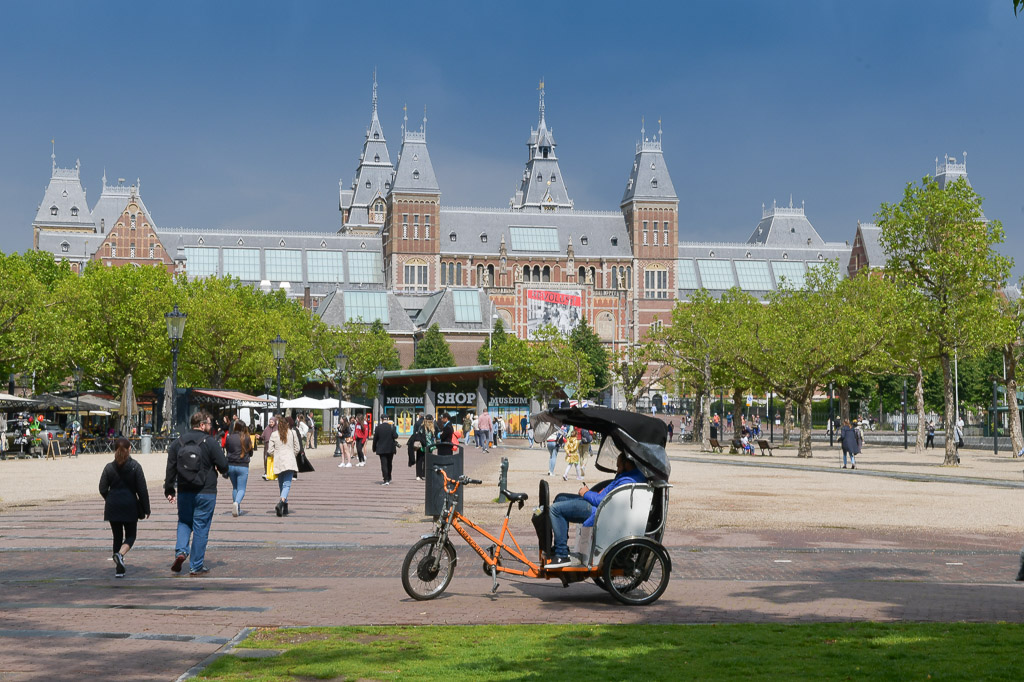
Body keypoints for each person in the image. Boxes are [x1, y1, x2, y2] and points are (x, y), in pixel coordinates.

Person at [546, 453, 647, 568]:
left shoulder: (628, 480)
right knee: (560, 498)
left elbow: (604, 500)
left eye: (619, 466)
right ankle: (560, 545)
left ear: (627, 463)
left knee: (555, 510)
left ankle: (561, 554)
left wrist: (586, 493)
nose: (617, 470)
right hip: (599, 505)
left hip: (599, 511)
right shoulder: (629, 475)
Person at [164, 410, 228, 576]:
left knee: (184, 522)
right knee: (201, 527)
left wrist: (169, 489)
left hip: (185, 490)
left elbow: (170, 468)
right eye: (208, 424)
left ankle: (181, 551)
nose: (210, 427)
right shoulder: (210, 442)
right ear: (201, 425)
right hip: (206, 490)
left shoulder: (177, 443)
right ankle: (196, 565)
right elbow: (224, 465)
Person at [99, 438, 150, 577]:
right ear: (130, 449)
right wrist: (146, 508)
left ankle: (118, 569)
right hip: (130, 506)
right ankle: (120, 555)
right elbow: (142, 490)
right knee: (131, 536)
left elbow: (102, 488)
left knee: (117, 536)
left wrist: (109, 498)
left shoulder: (109, 467)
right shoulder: (135, 466)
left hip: (113, 506)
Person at [267, 416, 300, 516]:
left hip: (279, 461)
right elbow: (297, 448)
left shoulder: (274, 434)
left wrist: (276, 454)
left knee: (281, 484)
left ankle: (284, 506)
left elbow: (270, 450)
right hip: (289, 460)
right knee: (287, 484)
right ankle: (281, 503)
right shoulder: (292, 433)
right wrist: (291, 455)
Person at [225, 419, 253, 517]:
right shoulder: (247, 438)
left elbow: (227, 450)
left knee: (235, 487)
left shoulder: (230, 437)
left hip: (231, 465)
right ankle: (236, 503)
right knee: (242, 489)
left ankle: (237, 509)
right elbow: (251, 452)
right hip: (242, 465)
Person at [372, 414, 399, 485]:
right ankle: (389, 477)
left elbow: (375, 439)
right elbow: (396, 436)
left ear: (381, 419)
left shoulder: (378, 428)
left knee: (383, 464)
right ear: (388, 418)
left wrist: (374, 448)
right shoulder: (392, 427)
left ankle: (386, 479)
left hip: (381, 448)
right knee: (389, 463)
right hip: (390, 448)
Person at [408, 414, 436, 480]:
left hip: (421, 446)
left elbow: (418, 435)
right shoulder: (433, 428)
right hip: (429, 447)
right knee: (427, 461)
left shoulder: (422, 427)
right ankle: (425, 474)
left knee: (419, 460)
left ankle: (418, 475)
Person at [262, 417, 278, 481]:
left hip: (275, 446)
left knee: (275, 460)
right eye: (270, 422)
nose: (271, 423)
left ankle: (276, 474)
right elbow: (263, 436)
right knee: (266, 459)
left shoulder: (277, 428)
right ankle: (267, 473)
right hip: (267, 445)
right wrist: (259, 437)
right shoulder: (267, 428)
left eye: (272, 422)